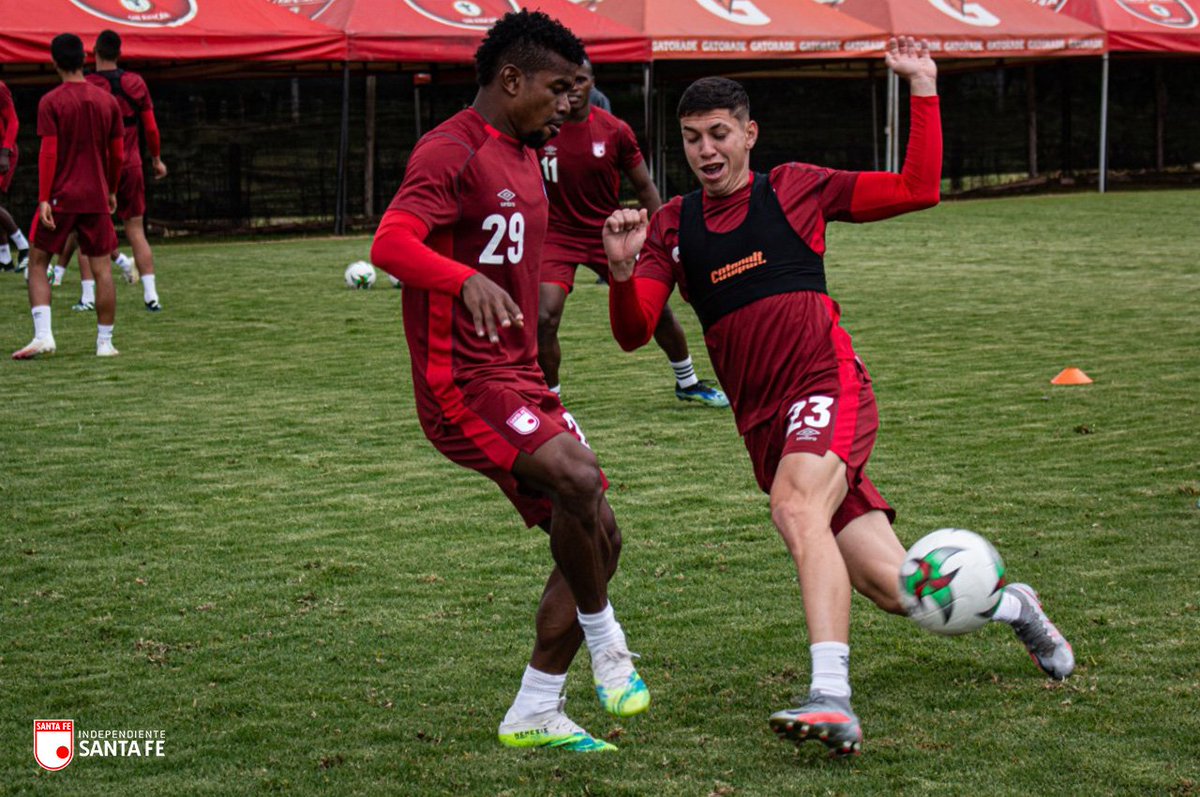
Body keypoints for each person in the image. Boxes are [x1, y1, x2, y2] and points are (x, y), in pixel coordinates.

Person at [602, 38, 1074, 757]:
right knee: (904, 592)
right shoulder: (672, 224)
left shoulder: (794, 186)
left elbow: (918, 189)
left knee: (794, 508)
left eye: (719, 133)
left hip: (826, 386)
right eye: (692, 138)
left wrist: (923, 85)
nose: (705, 150)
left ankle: (832, 697)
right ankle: (1013, 602)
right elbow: (636, 332)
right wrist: (618, 268)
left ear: (749, 133)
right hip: (764, 425)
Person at [369, 10, 648, 753]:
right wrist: (461, 282)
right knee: (581, 481)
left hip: (519, 378)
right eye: (558, 90)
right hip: (460, 382)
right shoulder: (450, 148)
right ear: (511, 79)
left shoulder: (531, 152)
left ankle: (535, 707)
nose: (568, 105)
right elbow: (390, 241)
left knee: (600, 537)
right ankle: (607, 640)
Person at [536, 57, 728, 408]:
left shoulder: (614, 130)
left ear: (593, 82)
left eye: (580, 80)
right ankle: (549, 401)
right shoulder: (541, 129)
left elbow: (644, 185)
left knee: (654, 310)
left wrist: (664, 235)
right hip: (557, 236)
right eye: (566, 82)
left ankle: (687, 382)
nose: (574, 88)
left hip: (610, 233)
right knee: (543, 317)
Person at [13, 33, 123, 360]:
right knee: (102, 268)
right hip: (96, 195)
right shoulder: (107, 101)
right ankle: (105, 343)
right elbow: (115, 154)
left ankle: (44, 335)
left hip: (61, 195)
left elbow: (49, 152)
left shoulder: (51, 101)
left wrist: (45, 197)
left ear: (54, 62)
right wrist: (112, 189)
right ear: (84, 59)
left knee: (37, 262)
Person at [74, 28, 166, 312]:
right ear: (120, 53)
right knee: (136, 230)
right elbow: (150, 127)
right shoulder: (135, 82)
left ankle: (88, 296)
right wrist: (156, 158)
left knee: (86, 230)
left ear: (95, 53)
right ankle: (151, 296)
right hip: (132, 163)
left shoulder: (88, 85)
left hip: (100, 167)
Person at [0, 77, 31, 273]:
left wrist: (4, 152)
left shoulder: (0, 87)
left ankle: (24, 246)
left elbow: (13, 120)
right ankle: (4, 259)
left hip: (3, 152)